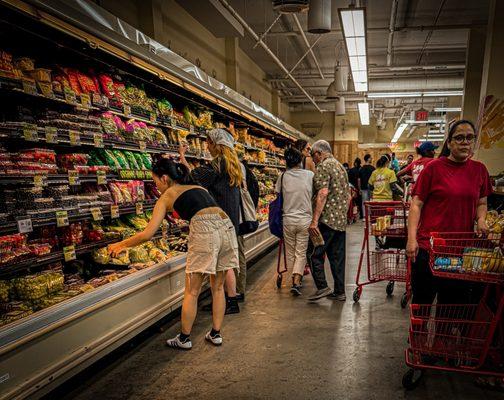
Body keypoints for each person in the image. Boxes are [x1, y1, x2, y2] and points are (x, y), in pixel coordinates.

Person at [108, 157, 238, 349]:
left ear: (165, 178)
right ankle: (216, 333)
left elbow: (147, 234)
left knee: (192, 290)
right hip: (226, 225)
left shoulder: (167, 196)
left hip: (205, 230)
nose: (156, 186)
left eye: (155, 181)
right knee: (218, 287)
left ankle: (184, 338)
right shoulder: (198, 187)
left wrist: (121, 245)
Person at [406, 119, 492, 306]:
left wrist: (482, 219)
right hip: (429, 248)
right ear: (450, 142)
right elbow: (416, 205)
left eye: (470, 138)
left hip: (459, 250)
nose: (465, 142)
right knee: (422, 303)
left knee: (450, 307)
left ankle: (442, 336)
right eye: (459, 138)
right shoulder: (433, 168)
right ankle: (418, 336)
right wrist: (411, 239)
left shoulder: (479, 170)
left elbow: (482, 202)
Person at [179, 128, 242, 314]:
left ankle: (228, 301)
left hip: (218, 219)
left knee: (223, 265)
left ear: (216, 145)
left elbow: (192, 179)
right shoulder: (232, 163)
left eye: (208, 142)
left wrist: (182, 158)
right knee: (227, 261)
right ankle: (231, 300)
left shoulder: (217, 164)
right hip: (230, 218)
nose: (207, 145)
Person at [308, 140, 350, 301]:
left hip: (326, 220)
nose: (313, 160)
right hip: (340, 221)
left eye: (313, 156)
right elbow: (347, 195)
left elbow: (323, 193)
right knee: (337, 257)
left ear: (319, 153)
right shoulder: (340, 167)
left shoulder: (323, 167)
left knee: (313, 253)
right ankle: (340, 292)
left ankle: (322, 287)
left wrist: (314, 220)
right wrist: (342, 214)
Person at [275, 147, 314, 296]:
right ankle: (296, 280)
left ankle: (294, 277)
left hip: (288, 219)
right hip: (305, 219)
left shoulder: (283, 177)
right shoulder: (310, 175)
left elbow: (277, 194)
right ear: (300, 161)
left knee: (290, 252)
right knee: (301, 251)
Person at [235, 158, 259, 302]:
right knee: (238, 255)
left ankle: (237, 291)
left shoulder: (239, 171)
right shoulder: (247, 173)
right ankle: (236, 290)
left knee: (237, 255)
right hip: (238, 220)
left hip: (236, 220)